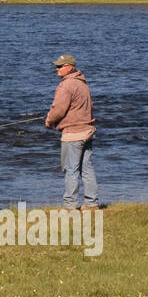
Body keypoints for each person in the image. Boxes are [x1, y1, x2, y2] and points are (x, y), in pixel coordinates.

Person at [44, 54, 99, 212]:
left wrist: (49, 121)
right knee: (87, 168)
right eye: (56, 66)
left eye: (60, 66)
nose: (57, 69)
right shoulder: (83, 83)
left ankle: (69, 206)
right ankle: (91, 204)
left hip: (73, 134)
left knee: (71, 170)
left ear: (69, 67)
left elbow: (58, 110)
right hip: (87, 131)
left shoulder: (66, 85)